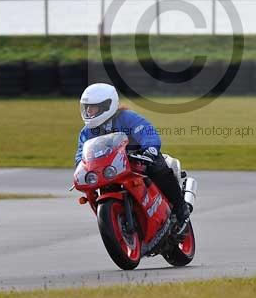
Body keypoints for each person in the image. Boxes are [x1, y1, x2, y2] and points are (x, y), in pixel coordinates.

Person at [74, 83, 191, 230]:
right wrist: (80, 167)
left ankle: (180, 207)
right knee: (91, 191)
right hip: (110, 168)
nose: (89, 111)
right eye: (87, 107)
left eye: (93, 107)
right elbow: (81, 152)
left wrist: (150, 149)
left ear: (106, 106)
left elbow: (146, 131)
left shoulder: (126, 117)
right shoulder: (87, 132)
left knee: (157, 168)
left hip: (139, 159)